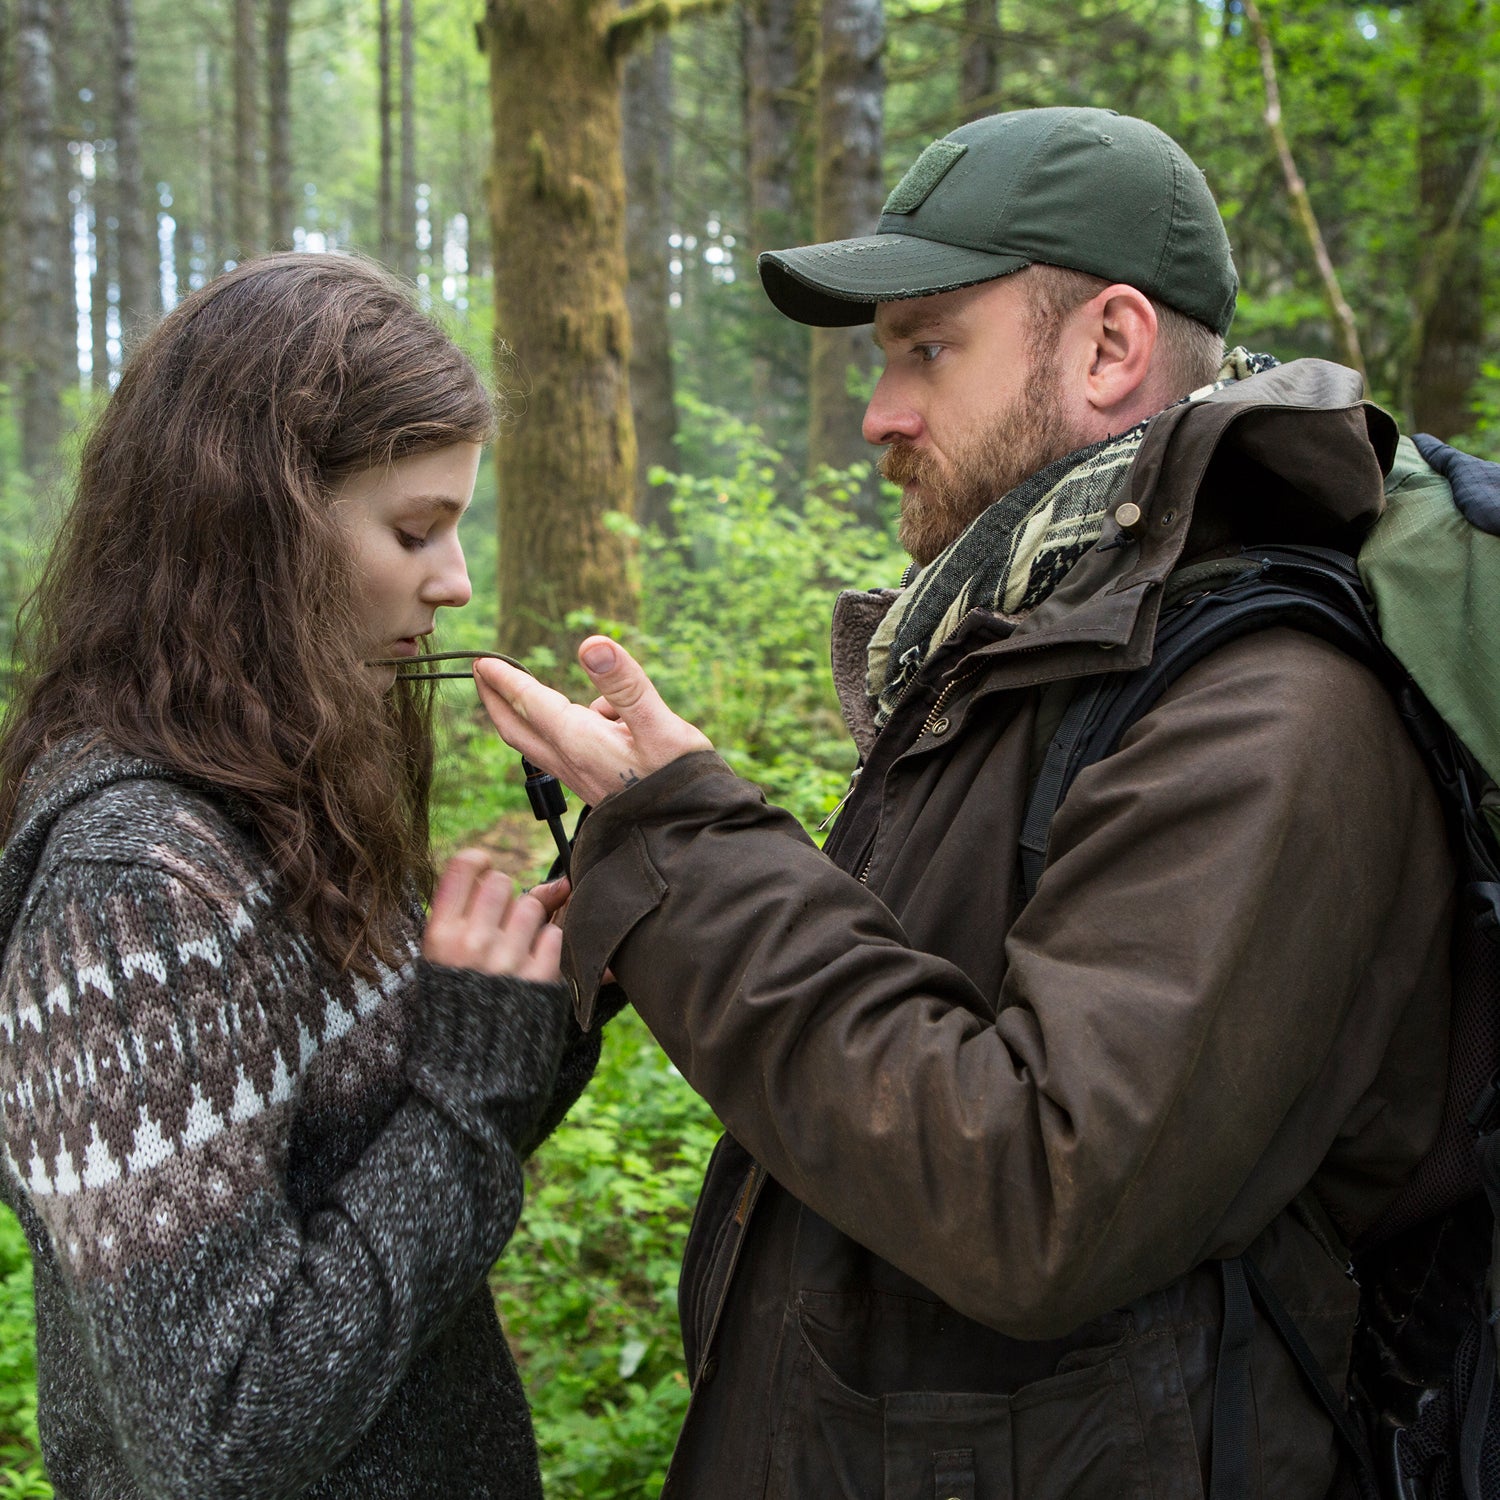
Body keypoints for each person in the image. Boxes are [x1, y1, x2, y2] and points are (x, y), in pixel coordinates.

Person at [475, 107, 1456, 1498]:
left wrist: (691, 856)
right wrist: (697, 825)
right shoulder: (1034, 648)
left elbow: (1039, 1191)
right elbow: (909, 1026)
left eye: (928, 348)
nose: (879, 413)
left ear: (1109, 345)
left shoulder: (1270, 707)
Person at [0, 252, 596, 1500]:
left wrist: (562, 982)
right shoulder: (137, 894)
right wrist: (473, 1068)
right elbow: (224, 1432)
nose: (457, 580)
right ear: (257, 532)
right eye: (413, 530)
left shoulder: (284, 781)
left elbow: (390, 1156)